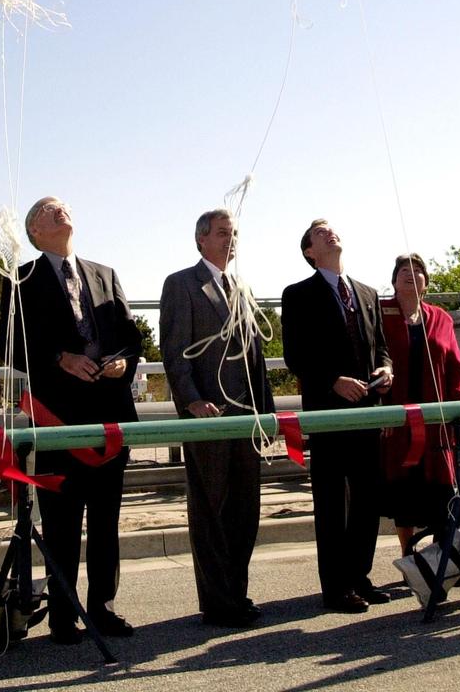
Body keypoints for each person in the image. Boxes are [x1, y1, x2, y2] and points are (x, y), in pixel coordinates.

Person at [0, 197, 142, 643]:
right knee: (61, 523)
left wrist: (123, 362)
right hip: (59, 420)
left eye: (62, 206)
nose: (59, 211)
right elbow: (13, 344)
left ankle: (103, 607)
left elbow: (130, 337)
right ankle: (64, 614)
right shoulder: (21, 279)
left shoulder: (105, 274)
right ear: (34, 233)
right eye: (46, 210)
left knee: (106, 520)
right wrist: (61, 357)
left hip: (110, 416)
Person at [159, 208, 274, 626]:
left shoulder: (240, 287)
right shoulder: (182, 284)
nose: (231, 239)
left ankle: (237, 593)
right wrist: (191, 401)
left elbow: (256, 357)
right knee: (210, 508)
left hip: (247, 418)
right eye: (223, 232)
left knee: (245, 509)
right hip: (207, 417)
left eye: (235, 232)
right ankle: (217, 601)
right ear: (201, 239)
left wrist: (268, 413)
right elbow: (174, 351)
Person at [281, 219, 393, 613]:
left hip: (368, 412)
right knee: (331, 502)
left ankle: (360, 575)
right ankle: (336, 587)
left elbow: (381, 347)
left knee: (367, 498)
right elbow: (296, 355)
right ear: (310, 251)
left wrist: (386, 371)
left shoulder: (367, 292)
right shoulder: (297, 295)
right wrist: (332, 381)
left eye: (332, 229)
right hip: (327, 414)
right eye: (319, 233)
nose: (330, 234)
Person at [380, 254, 460, 554]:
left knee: (441, 490)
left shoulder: (441, 317)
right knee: (403, 492)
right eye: (404, 270)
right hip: (396, 423)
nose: (411, 274)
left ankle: (443, 558)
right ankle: (409, 556)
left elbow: (457, 367)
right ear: (393, 281)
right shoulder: (379, 313)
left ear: (426, 283)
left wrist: (456, 411)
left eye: (418, 271)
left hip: (436, 423)